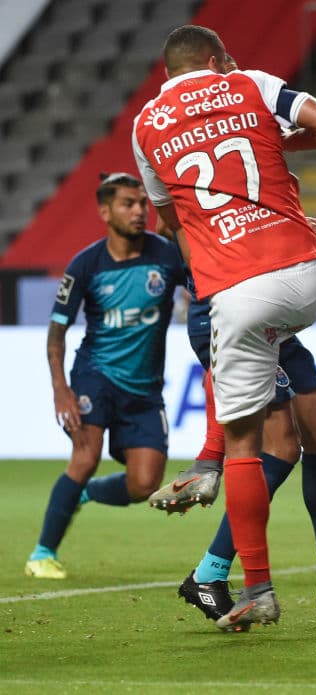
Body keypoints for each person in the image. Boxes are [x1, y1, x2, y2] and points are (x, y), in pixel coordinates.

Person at [132, 25, 316, 631]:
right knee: (299, 439)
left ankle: (308, 575)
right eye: (227, 57)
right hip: (292, 281)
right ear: (214, 60)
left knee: (309, 437)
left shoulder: (148, 124)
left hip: (239, 290)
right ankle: (227, 569)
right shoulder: (248, 88)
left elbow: (176, 218)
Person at [24, 172, 186, 579]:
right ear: (104, 211)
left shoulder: (166, 256)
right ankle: (42, 554)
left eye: (142, 204)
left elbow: (206, 291)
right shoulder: (86, 264)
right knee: (85, 456)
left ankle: (88, 494)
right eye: (127, 204)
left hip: (145, 389)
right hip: (95, 375)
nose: (138, 212)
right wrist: (62, 390)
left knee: (145, 485)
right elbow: (57, 332)